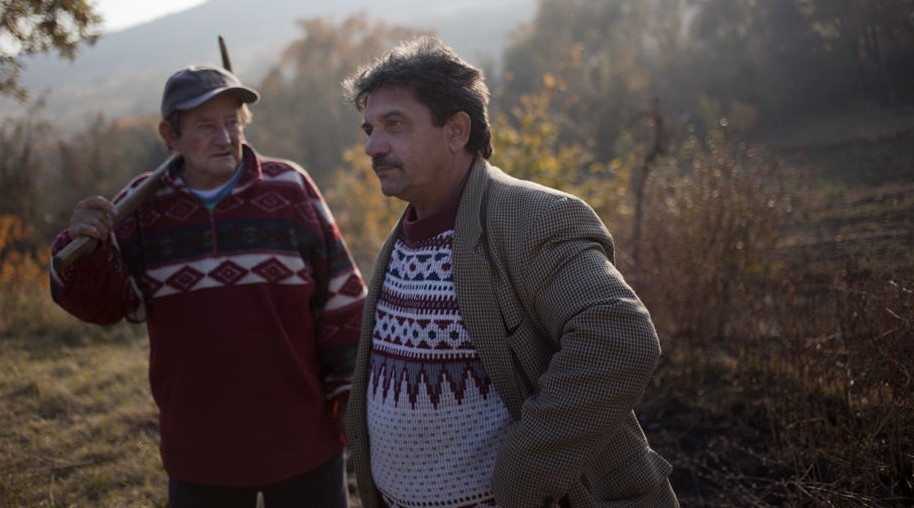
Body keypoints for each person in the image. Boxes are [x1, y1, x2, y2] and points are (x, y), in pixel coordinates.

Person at [343, 37, 678, 508]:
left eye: (395, 125)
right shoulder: (403, 235)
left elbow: (619, 336)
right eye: (370, 129)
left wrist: (525, 475)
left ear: (457, 130)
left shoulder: (532, 218)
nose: (373, 146)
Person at [50, 66, 366, 508]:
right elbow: (106, 305)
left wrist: (350, 395)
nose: (225, 137)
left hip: (302, 439)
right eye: (205, 125)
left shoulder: (290, 188)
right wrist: (84, 249)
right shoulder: (143, 207)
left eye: (232, 122)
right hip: (200, 450)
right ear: (171, 136)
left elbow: (343, 301)